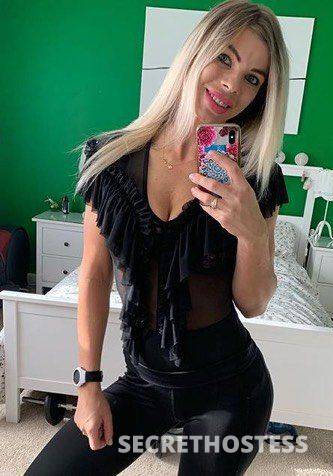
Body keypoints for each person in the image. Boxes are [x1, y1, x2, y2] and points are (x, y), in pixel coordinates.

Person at [24, 0, 290, 474]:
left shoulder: (255, 176)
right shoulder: (109, 159)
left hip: (230, 391)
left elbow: (253, 303)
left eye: (253, 78)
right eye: (224, 58)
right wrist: (88, 384)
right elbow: (95, 274)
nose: (232, 85)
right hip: (143, 383)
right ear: (195, 51)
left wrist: (250, 231)